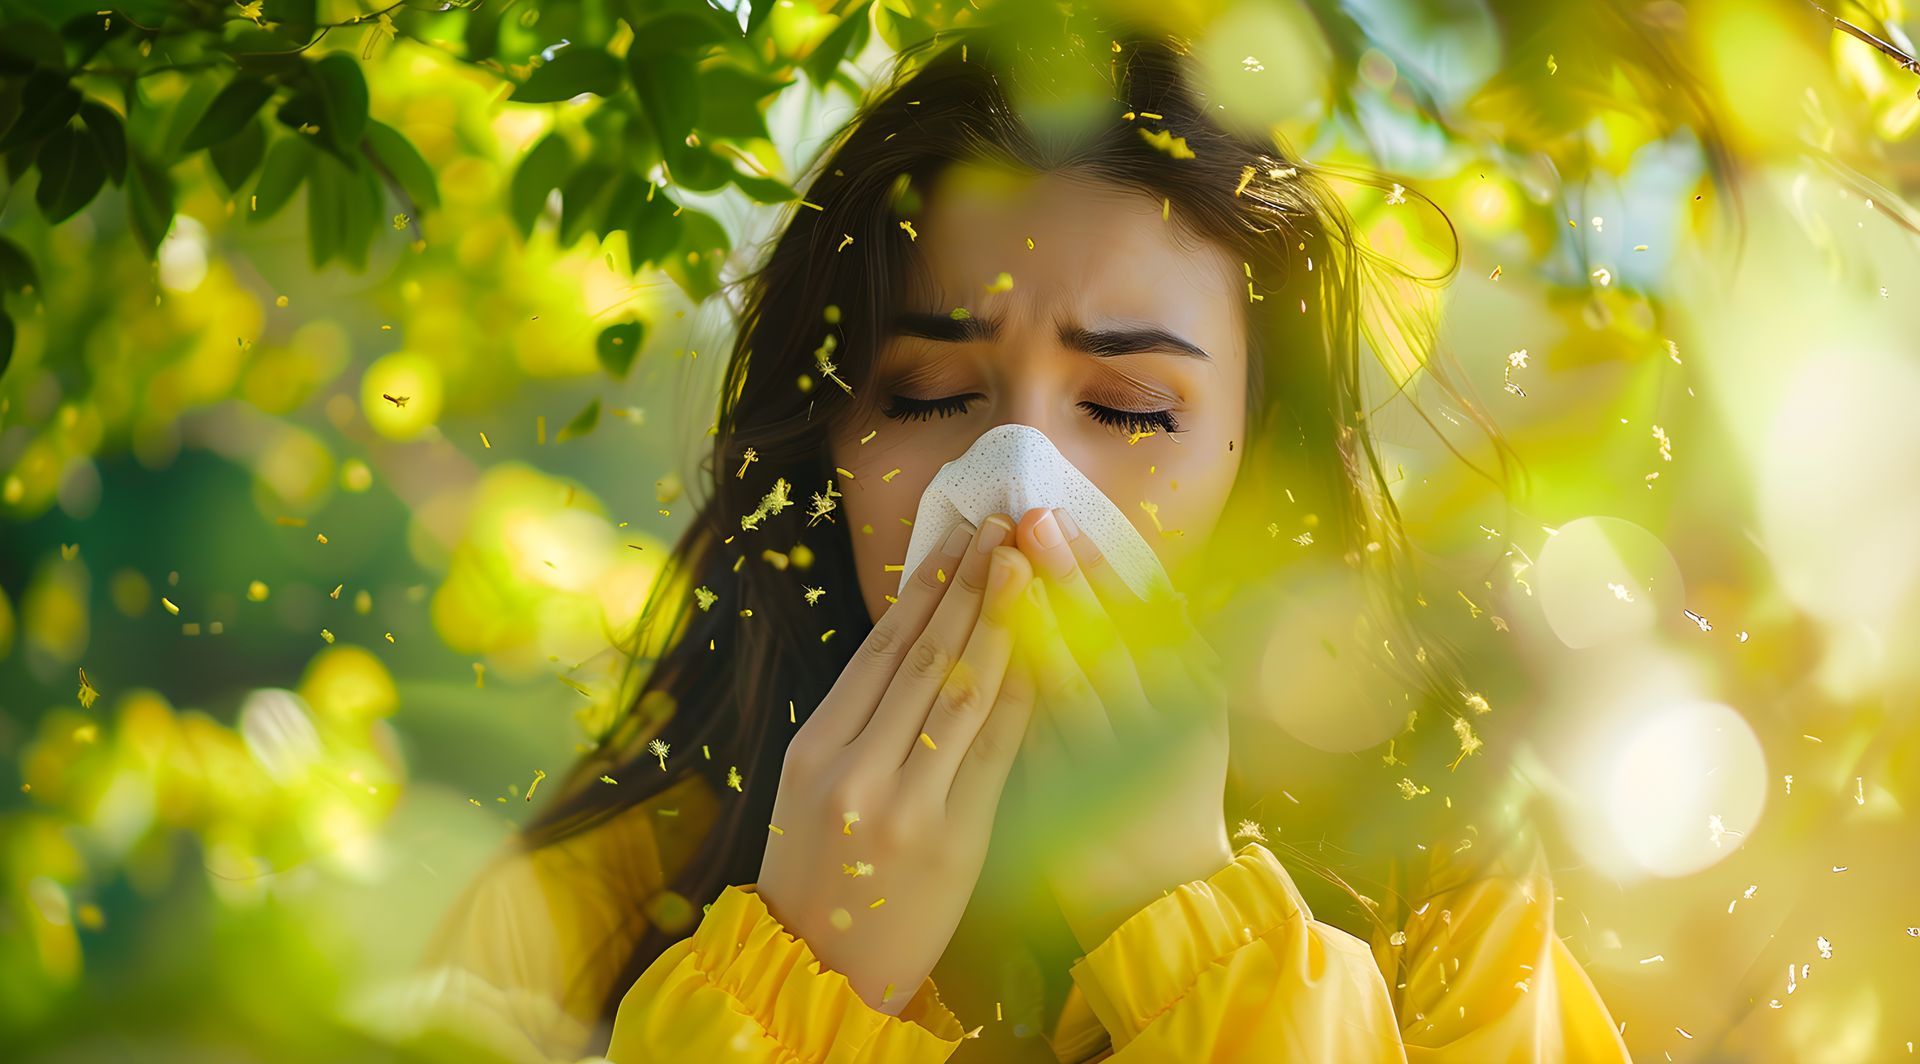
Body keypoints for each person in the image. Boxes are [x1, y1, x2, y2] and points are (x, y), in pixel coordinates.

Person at [402, 18, 1632, 1064]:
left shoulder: (1437, 889)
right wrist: (792, 982)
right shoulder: (578, 921)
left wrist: (1202, 934)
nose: (1018, 497)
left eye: (1131, 408)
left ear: (1266, 464)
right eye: (931, 394)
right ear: (826, 443)